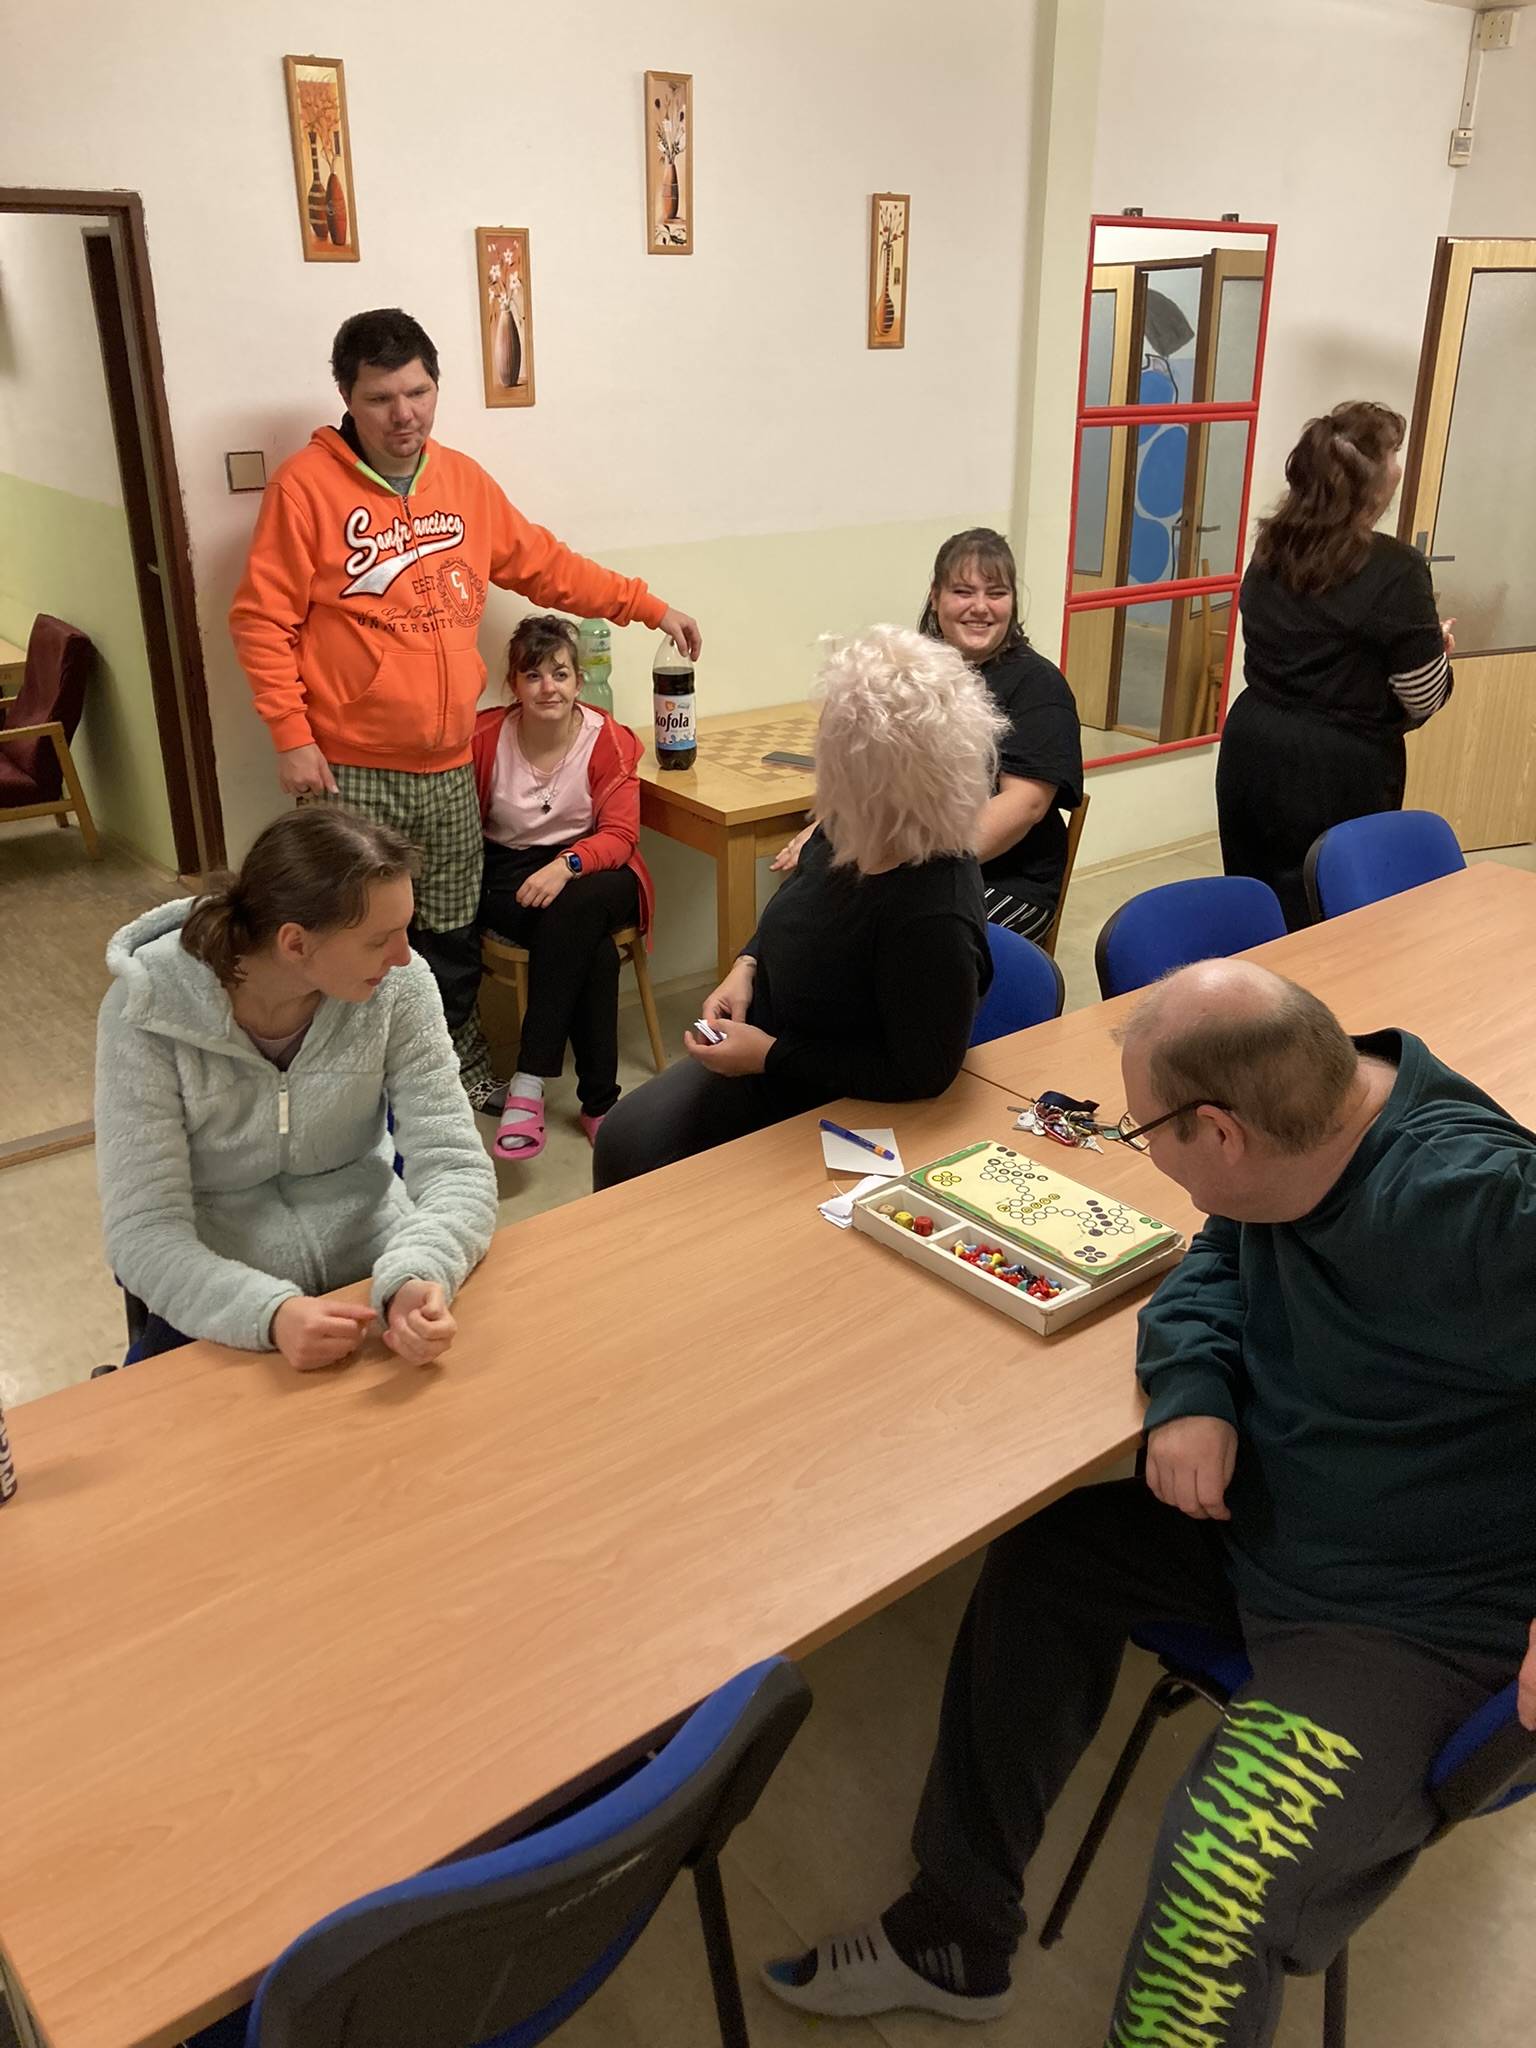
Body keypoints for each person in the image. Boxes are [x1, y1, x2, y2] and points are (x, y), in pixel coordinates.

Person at [762, 958, 1536, 2045]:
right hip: (1279, 1519)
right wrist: (1194, 1389)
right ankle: (956, 1929)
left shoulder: (1475, 1202)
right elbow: (1221, 1249)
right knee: (1048, 1559)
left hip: (1413, 1617)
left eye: (1144, 1131)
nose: (1145, 1152)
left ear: (1218, 1132)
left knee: (1218, 1883)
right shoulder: (1302, 1137)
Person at [229, 306, 701, 1109]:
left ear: (436, 387)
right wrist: (290, 735)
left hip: (448, 765)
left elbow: (547, 566)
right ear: (347, 398)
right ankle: (360, 1093)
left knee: (449, 933)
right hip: (349, 765)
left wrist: (647, 607)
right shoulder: (304, 488)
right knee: (352, 936)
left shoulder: (463, 483)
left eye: (418, 393)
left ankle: (454, 1073)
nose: (403, 414)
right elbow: (261, 620)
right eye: (381, 398)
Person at [594, 626, 1000, 1189]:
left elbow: (919, 1073)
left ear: (878, 778)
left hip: (835, 1095)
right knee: (625, 1141)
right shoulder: (852, 827)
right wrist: (747, 965)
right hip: (771, 1052)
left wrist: (769, 1056)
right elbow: (798, 903)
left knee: (650, 1168)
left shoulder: (932, 915)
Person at [95, 806, 499, 1371]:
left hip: (375, 1268)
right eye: (379, 940)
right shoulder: (146, 1012)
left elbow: (456, 1166)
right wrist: (269, 1315)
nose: (404, 955)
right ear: (295, 943)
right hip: (221, 1295)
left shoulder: (400, 987)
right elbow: (143, 1230)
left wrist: (421, 1270)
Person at [773, 528, 1082, 946]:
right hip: (906, 861)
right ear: (935, 597)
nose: (980, 607)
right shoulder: (915, 672)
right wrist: (831, 832)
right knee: (804, 913)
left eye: (996, 593)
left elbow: (1025, 805)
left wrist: (904, 867)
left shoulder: (1038, 685)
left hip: (1002, 880)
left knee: (885, 942)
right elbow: (871, 777)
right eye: (963, 591)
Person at [425, 614, 654, 1161]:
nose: (548, 687)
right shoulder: (485, 736)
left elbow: (621, 836)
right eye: (533, 675)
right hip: (509, 872)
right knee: (592, 950)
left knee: (579, 906)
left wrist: (567, 865)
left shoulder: (609, 740)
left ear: (579, 681)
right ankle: (600, 1105)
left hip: (596, 866)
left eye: (560, 673)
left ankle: (528, 1082)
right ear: (514, 685)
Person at [1218, 400, 1455, 929]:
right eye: (1395, 454)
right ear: (1376, 481)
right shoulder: (1397, 568)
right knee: (1334, 916)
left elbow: (1300, 643)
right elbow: (1422, 695)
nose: (1400, 466)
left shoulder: (1270, 547)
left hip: (1252, 746)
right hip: (1335, 766)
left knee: (1260, 907)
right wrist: (1435, 651)